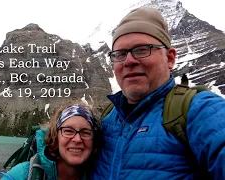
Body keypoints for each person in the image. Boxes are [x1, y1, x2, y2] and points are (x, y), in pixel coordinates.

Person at [90, 7, 225, 180]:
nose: (129, 61)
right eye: (120, 54)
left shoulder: (201, 111)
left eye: (142, 49)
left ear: (170, 58)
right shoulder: (108, 119)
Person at [1, 103, 100, 180]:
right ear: (55, 137)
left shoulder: (100, 174)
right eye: (68, 131)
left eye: (85, 132)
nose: (77, 139)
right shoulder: (21, 175)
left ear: (94, 142)